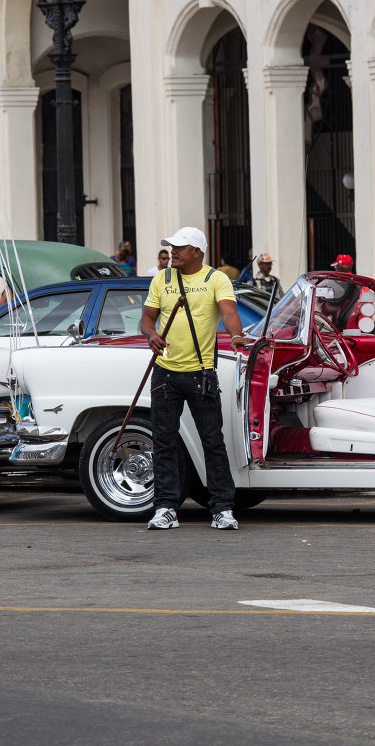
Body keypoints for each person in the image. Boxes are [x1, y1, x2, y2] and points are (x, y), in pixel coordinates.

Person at [140, 226, 249, 532]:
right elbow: (147, 318)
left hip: (202, 374)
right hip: (165, 374)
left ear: (197, 252)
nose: (172, 251)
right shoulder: (162, 278)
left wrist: (237, 335)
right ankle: (165, 508)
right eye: (171, 246)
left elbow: (228, 312)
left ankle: (223, 509)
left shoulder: (216, 279)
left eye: (179, 247)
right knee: (163, 443)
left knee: (212, 442)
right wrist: (151, 336)